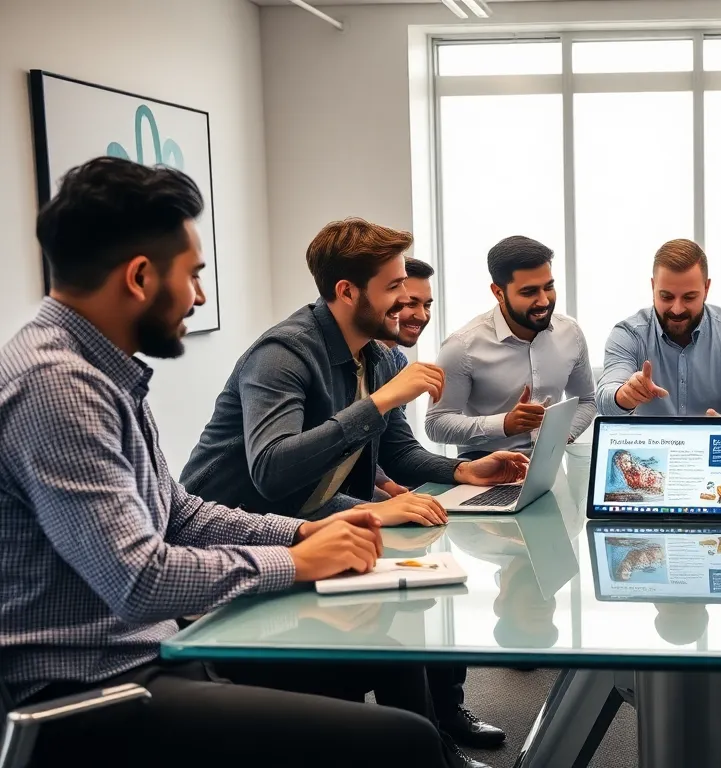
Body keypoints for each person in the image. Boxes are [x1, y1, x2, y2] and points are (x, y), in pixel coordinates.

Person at [0, 156, 455, 767]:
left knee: (389, 660)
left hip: (151, 653)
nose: (200, 296)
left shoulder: (100, 373)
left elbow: (178, 514)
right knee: (404, 742)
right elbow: (138, 580)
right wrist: (293, 561)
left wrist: (301, 533)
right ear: (139, 277)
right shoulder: (59, 386)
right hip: (87, 693)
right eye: (193, 275)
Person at [180, 218, 523, 763]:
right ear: (346, 291)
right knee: (387, 646)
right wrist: (380, 402)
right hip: (241, 539)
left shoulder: (379, 357)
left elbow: (397, 453)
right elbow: (272, 472)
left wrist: (465, 472)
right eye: (394, 287)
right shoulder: (283, 354)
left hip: (307, 524)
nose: (405, 300)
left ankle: (436, 751)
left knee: (410, 631)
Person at [426, 236, 596, 458]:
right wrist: (504, 424)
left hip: (551, 465)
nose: (544, 301)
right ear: (498, 293)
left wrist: (561, 435)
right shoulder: (462, 346)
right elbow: (436, 423)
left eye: (549, 287)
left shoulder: (570, 333)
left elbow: (586, 400)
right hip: (483, 469)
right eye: (529, 292)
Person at [597, 239, 721, 417]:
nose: (677, 309)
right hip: (648, 437)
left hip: (715, 437)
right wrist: (625, 395)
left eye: (689, 297)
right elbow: (605, 400)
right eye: (666, 297)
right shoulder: (628, 334)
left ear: (706, 289)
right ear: (653, 287)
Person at [374, 256, 435, 499]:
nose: (422, 315)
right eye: (411, 303)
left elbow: (396, 448)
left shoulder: (398, 361)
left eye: (427, 305)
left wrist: (463, 470)